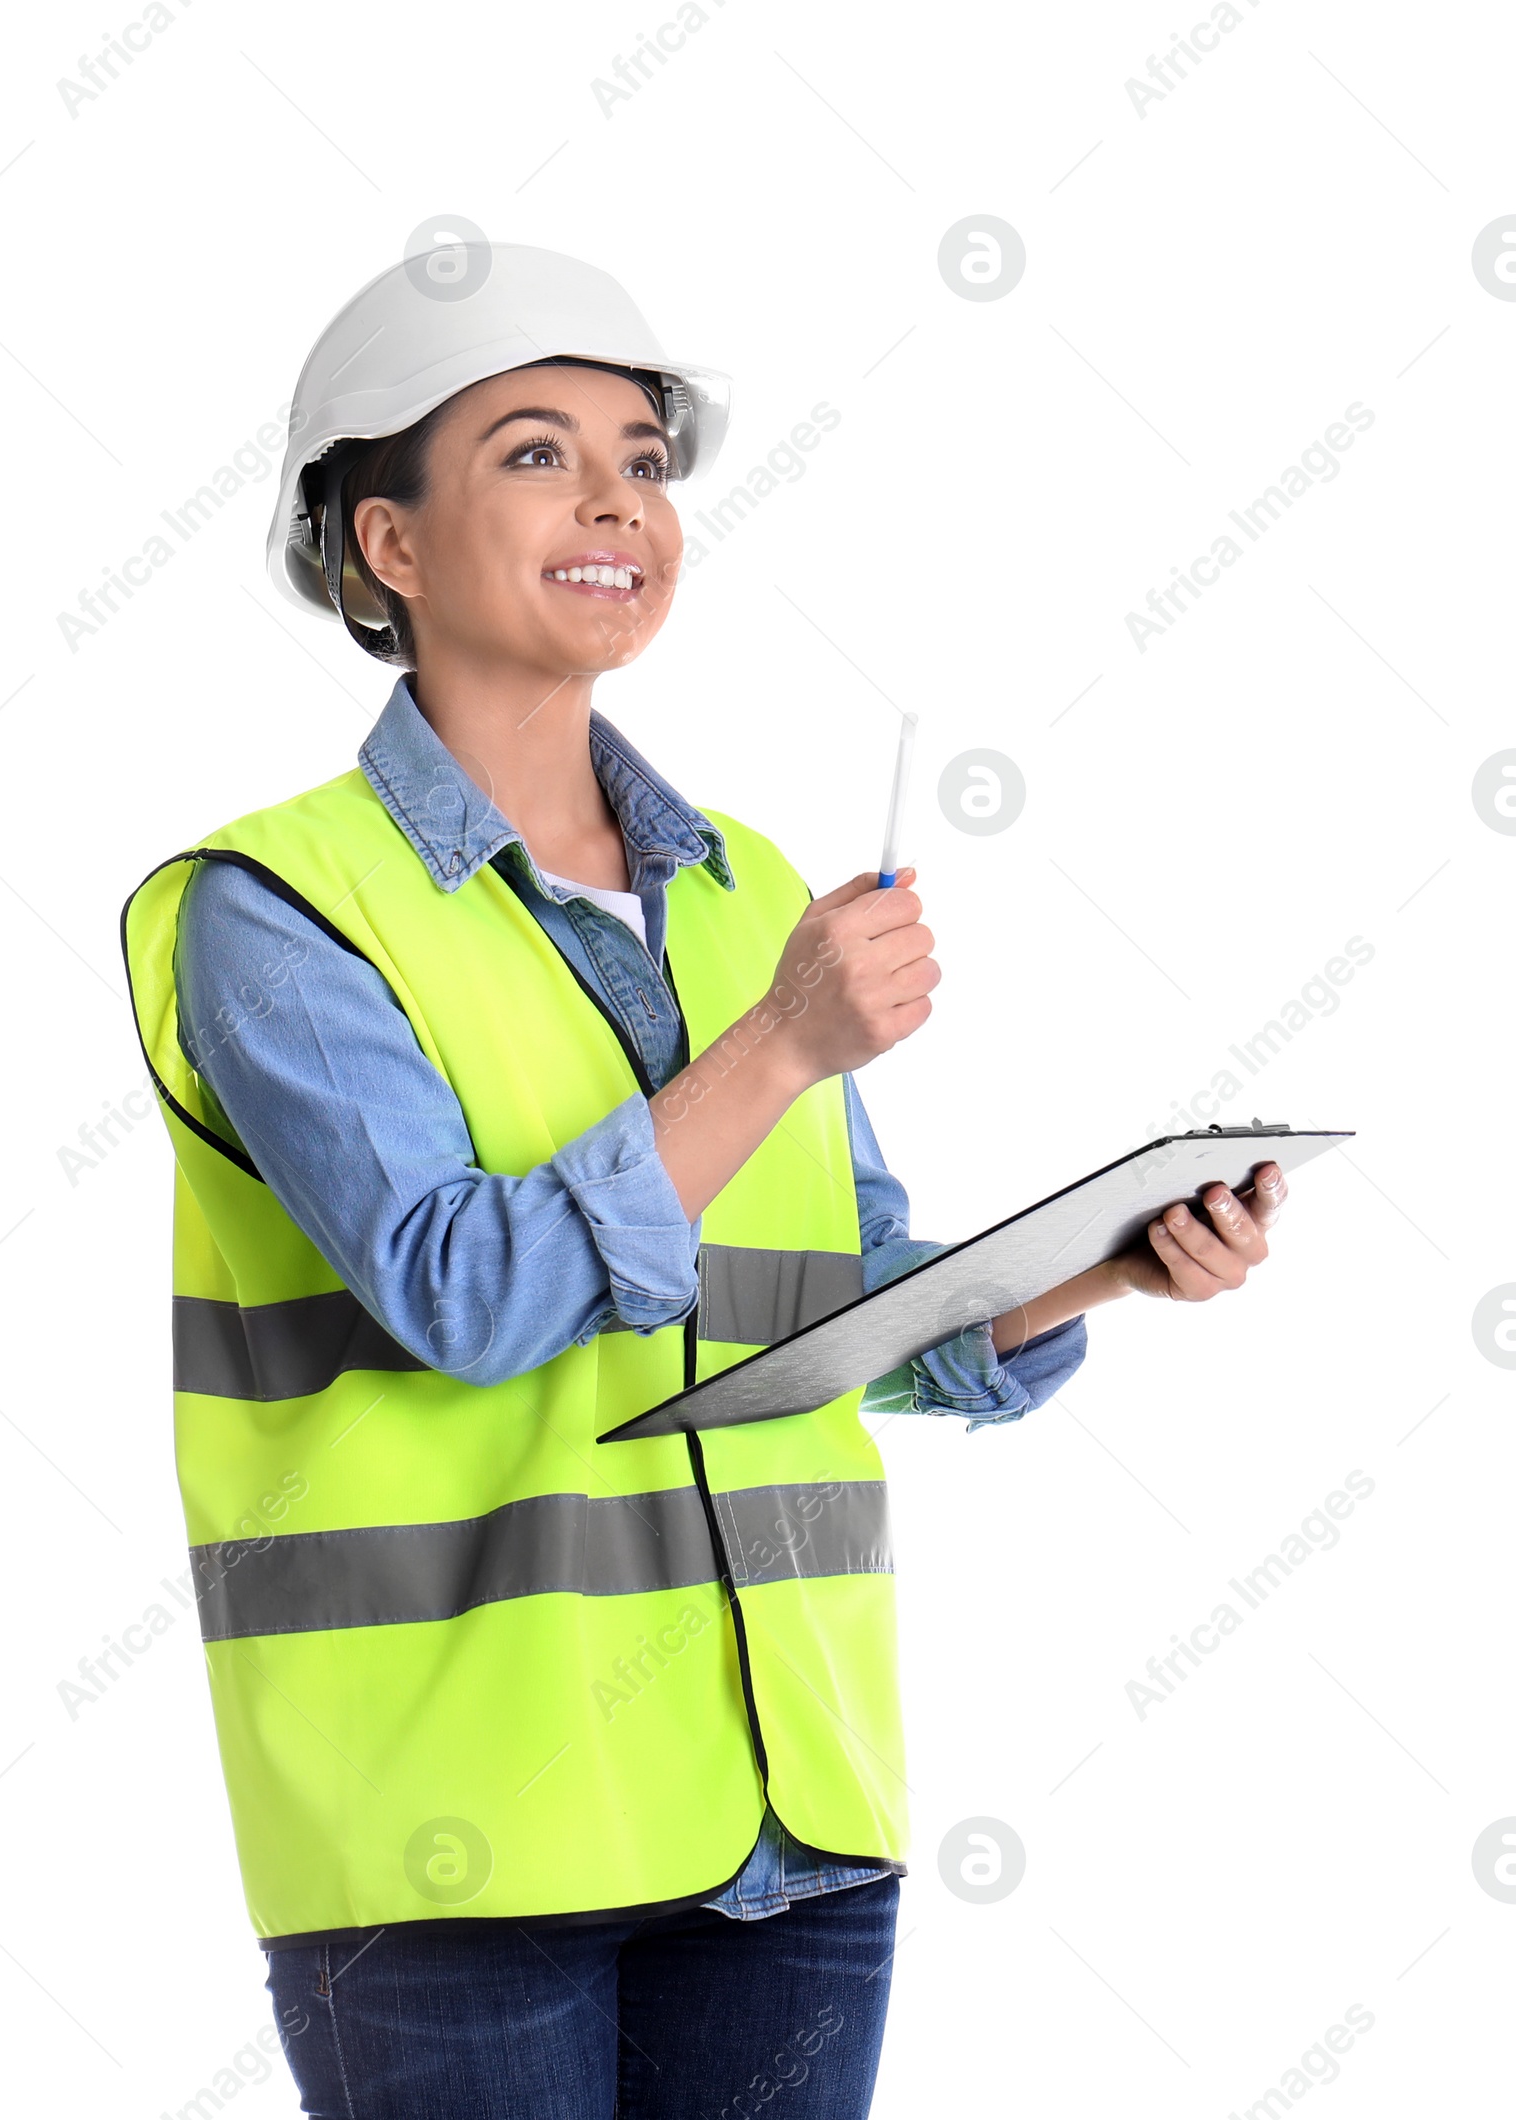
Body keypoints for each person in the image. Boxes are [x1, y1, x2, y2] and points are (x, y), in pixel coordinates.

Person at [120, 242, 1288, 2119]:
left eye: (645, 459)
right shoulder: (274, 915)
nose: (616, 502)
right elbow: (465, 1294)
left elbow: (837, 1313)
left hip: (787, 1815)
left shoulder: (748, 887)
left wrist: (1107, 1272)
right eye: (532, 454)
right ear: (387, 546)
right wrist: (777, 1050)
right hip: (454, 1853)